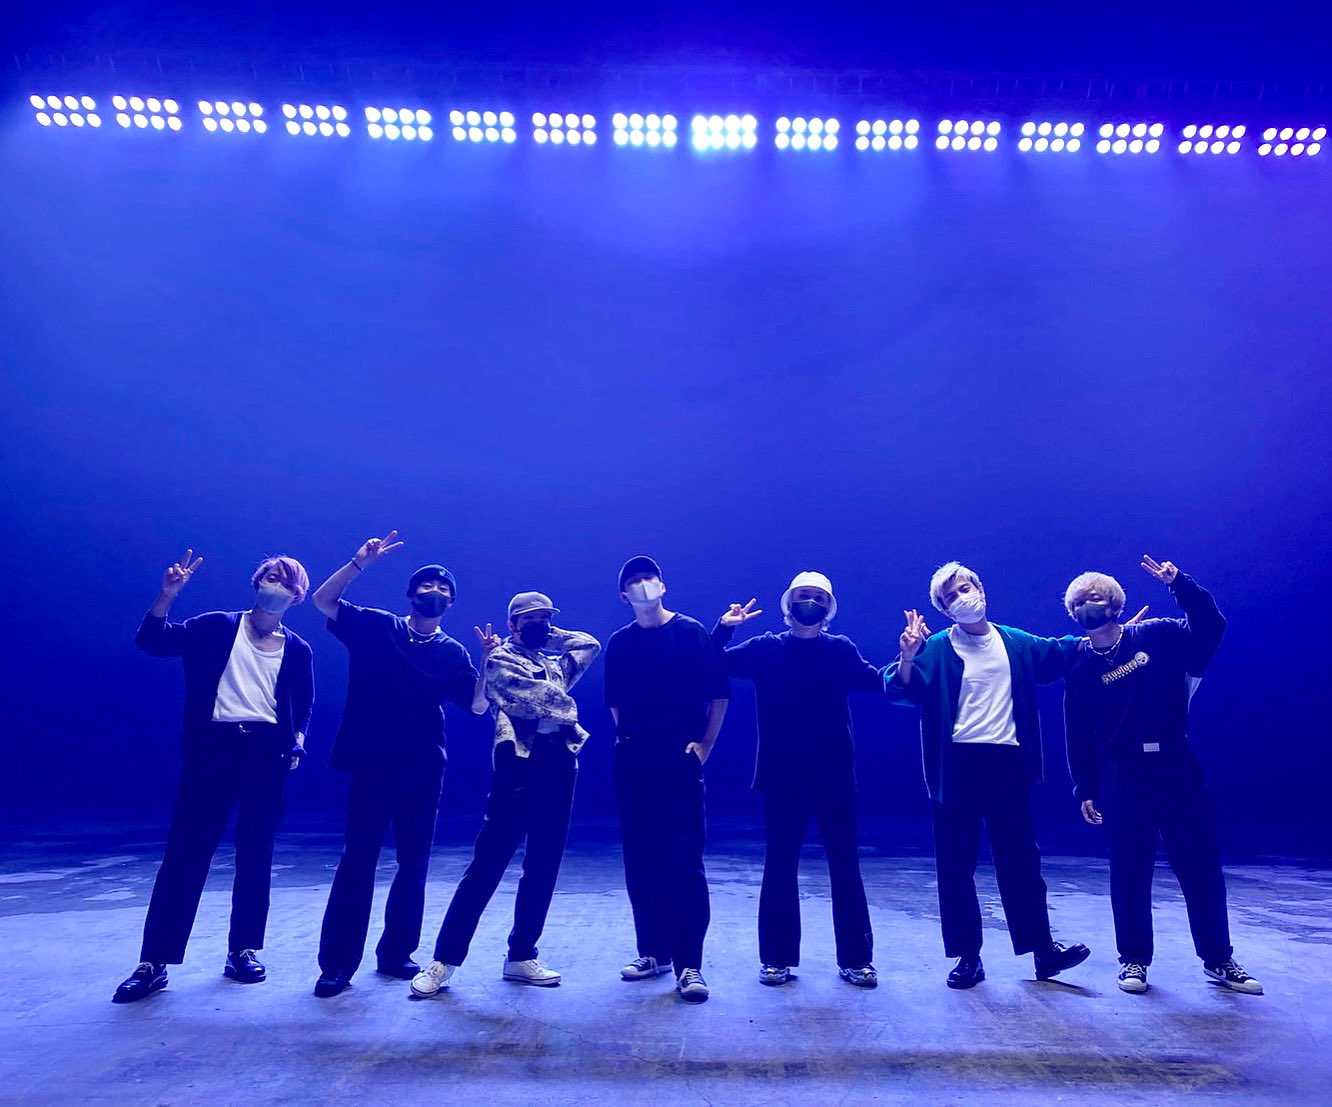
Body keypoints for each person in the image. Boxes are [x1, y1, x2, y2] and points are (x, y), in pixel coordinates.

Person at [113, 549, 314, 1004]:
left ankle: (242, 950)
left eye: (286, 582)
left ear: (297, 596)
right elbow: (153, 641)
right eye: (270, 576)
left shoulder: (298, 649)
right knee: (185, 854)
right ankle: (154, 962)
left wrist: (298, 739)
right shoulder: (215, 626)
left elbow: (304, 704)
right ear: (256, 582)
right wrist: (167, 596)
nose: (276, 585)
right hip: (213, 752)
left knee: (256, 854)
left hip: (266, 756)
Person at [885, 561, 1089, 989]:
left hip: (1008, 763)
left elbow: (1062, 652)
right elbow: (902, 689)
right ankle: (967, 956)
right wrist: (907, 656)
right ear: (944, 610)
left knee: (1022, 861)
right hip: (956, 766)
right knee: (956, 864)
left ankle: (1043, 951)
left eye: (965, 588)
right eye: (950, 597)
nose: (961, 598)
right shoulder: (936, 647)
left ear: (980, 588)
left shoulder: (1015, 642)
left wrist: (1110, 635)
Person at [1062, 555, 1261, 995]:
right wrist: (1085, 787)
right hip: (1122, 776)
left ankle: (1218, 959)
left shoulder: (1159, 634)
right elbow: (1077, 732)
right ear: (1074, 614)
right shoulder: (1079, 667)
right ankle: (1133, 960)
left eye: (1096, 597)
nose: (1088, 604)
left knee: (1200, 865)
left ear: (1115, 604)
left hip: (1175, 767)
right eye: (1080, 601)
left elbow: (1211, 626)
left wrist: (1180, 584)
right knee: (1129, 870)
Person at [311, 530, 481, 998]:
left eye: (444, 589)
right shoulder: (376, 626)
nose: (435, 592)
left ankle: (396, 954)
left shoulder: (453, 652)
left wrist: (488, 663)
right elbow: (323, 601)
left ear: (450, 603)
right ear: (411, 595)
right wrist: (359, 562)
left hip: (423, 767)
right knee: (358, 860)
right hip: (372, 763)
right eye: (428, 585)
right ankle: (337, 965)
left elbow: (478, 705)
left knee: (414, 862)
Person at [411, 592, 600, 997]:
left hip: (560, 763)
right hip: (520, 764)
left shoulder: (552, 663)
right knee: (488, 863)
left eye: (546, 618)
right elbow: (536, 700)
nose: (540, 624)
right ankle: (444, 960)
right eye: (531, 619)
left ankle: (521, 955)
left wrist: (550, 636)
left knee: (544, 862)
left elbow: (589, 645)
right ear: (512, 625)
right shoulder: (498, 660)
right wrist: (567, 707)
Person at [712, 572, 882, 988]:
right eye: (804, 596)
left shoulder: (840, 650)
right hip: (782, 776)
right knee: (780, 866)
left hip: (834, 775)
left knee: (846, 867)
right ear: (789, 603)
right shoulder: (765, 649)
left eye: (819, 598)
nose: (811, 603)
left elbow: (879, 682)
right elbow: (713, 661)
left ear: (829, 608)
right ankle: (776, 959)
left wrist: (910, 656)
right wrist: (723, 629)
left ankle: (857, 960)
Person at [603, 555, 729, 1003]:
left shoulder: (691, 633)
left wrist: (705, 744)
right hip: (634, 759)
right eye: (634, 581)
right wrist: (632, 741)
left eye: (648, 578)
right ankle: (652, 952)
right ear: (624, 596)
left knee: (684, 859)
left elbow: (718, 695)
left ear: (663, 585)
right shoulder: (620, 643)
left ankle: (689, 963)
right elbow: (615, 704)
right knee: (640, 858)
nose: (643, 585)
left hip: (679, 758)